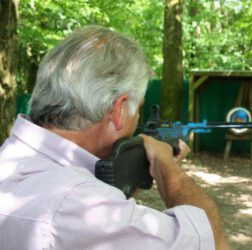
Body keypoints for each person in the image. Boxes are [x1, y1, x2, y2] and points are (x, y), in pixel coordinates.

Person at [0, 26, 229, 250]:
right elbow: (212, 242)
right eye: (139, 108)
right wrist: (167, 167)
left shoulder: (12, 158)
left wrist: (138, 171)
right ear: (119, 111)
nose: (138, 117)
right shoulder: (79, 203)